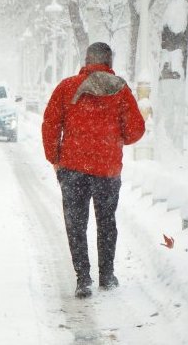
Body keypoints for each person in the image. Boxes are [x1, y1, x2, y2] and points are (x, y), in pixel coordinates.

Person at [42, 42, 145, 298]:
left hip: (73, 168)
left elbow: (50, 124)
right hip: (107, 170)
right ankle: (107, 276)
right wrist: (113, 139)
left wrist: (54, 157)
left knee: (76, 224)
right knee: (106, 222)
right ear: (110, 63)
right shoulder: (121, 90)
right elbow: (136, 129)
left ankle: (83, 279)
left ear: (86, 61)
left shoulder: (67, 88)